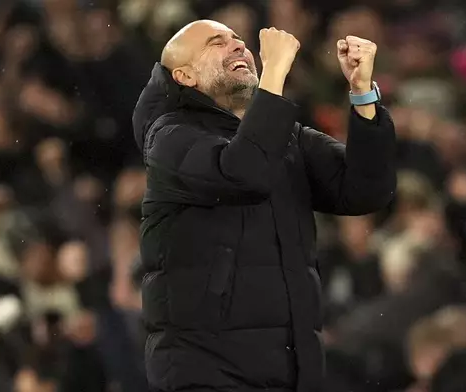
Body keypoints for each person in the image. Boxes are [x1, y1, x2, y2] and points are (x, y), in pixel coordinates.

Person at [132, 20, 396, 392]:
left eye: (239, 40)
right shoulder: (168, 136)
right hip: (207, 372)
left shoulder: (285, 138)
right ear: (185, 76)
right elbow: (244, 173)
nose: (238, 46)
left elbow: (366, 190)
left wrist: (362, 94)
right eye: (216, 43)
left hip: (290, 370)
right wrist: (274, 72)